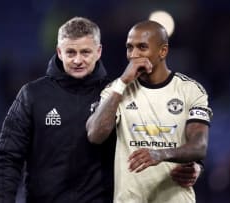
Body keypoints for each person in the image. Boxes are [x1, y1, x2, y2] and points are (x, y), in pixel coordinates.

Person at [0, 17, 202, 203]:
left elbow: (151, 142)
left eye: (85, 52)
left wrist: (195, 167)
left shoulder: (120, 94)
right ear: (59, 52)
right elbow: (7, 157)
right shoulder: (32, 95)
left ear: (99, 51)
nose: (77, 60)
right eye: (70, 52)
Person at [86, 20, 212, 203]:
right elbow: (94, 135)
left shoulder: (190, 90)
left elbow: (199, 146)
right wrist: (123, 82)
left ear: (163, 51)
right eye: (130, 48)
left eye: (142, 47)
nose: (133, 55)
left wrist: (159, 154)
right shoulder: (116, 90)